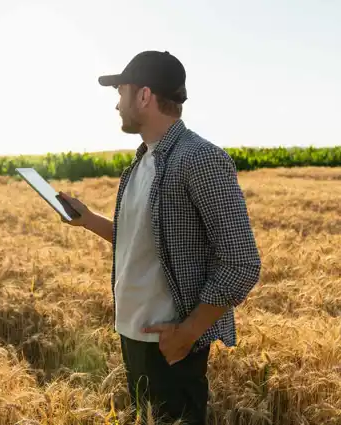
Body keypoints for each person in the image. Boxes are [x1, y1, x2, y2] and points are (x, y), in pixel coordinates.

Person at [56, 51, 261, 425]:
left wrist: (187, 333)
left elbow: (242, 262)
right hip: (133, 336)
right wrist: (87, 219)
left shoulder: (199, 158)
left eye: (121, 92)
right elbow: (141, 240)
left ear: (145, 96)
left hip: (170, 347)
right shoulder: (142, 161)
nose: (117, 104)